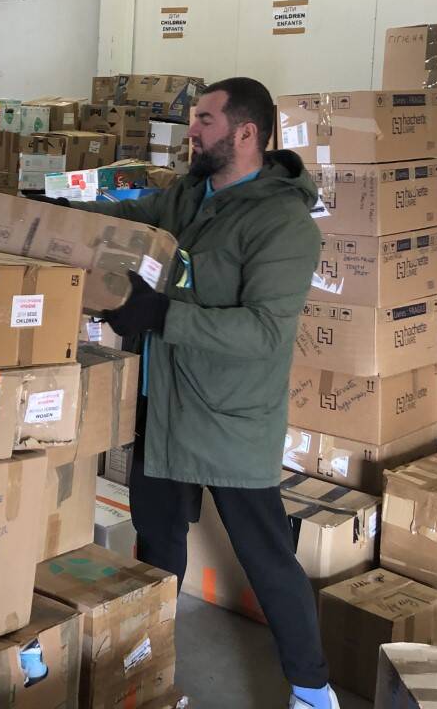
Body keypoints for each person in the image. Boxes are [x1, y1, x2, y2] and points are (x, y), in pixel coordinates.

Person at [70, 78, 336, 709]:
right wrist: (61, 215)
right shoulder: (188, 195)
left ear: (247, 133)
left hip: (228, 417)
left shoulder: (282, 223)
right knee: (156, 547)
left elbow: (265, 333)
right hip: (161, 404)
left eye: (205, 121)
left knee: (265, 555)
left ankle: (313, 689)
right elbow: (132, 222)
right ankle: (148, 669)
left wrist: (161, 315)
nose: (191, 131)